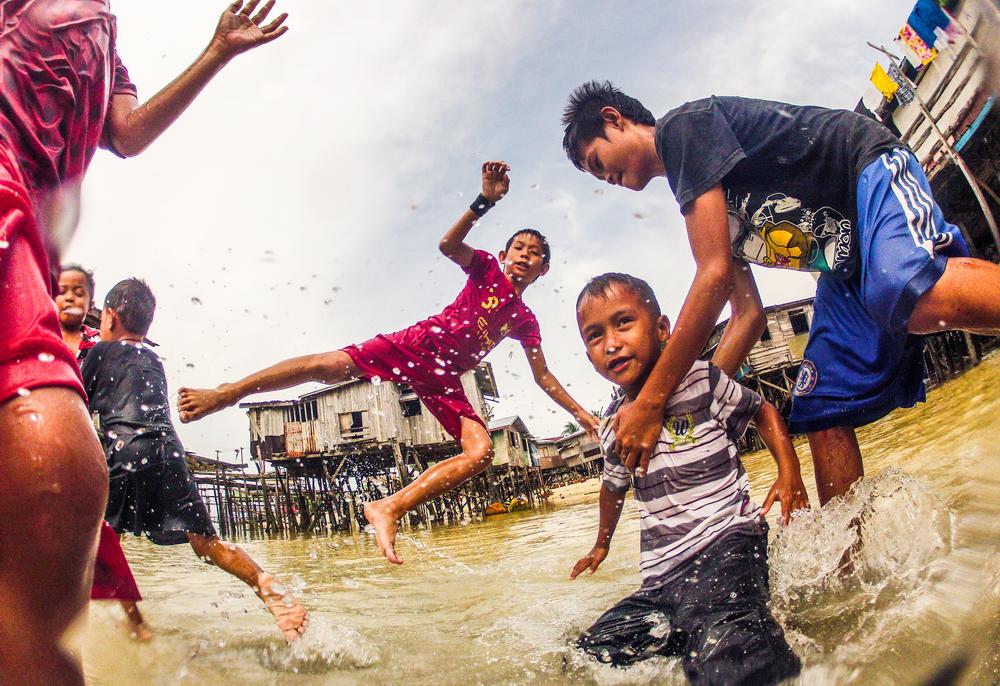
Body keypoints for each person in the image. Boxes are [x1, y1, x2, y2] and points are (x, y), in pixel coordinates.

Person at [0, 0, 288, 678]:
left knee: (63, 485)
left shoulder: (113, 56)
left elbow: (126, 136)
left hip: (31, 234)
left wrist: (217, 52)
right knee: (60, 467)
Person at [560, 81, 1000, 504]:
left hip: (866, 171)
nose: (606, 178)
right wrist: (696, 402)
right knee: (822, 404)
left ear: (614, 119)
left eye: (597, 162)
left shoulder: (683, 128)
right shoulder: (703, 206)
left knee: (907, 291)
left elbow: (712, 276)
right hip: (844, 264)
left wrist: (653, 400)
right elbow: (747, 316)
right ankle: (848, 550)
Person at [178, 161, 600, 564]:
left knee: (481, 451)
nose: (525, 255)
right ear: (505, 254)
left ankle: (389, 507)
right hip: (418, 344)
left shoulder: (525, 320)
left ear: (543, 270)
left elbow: (543, 375)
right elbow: (448, 246)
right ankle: (228, 392)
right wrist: (483, 202)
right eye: (519, 248)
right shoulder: (486, 268)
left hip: (445, 378)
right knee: (327, 367)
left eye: (534, 253)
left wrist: (583, 415)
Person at [570, 273, 805, 685]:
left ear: (662, 329)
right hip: (662, 578)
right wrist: (601, 544)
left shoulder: (700, 381)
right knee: (591, 652)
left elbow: (761, 410)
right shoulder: (612, 428)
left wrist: (789, 472)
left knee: (730, 661)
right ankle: (693, 634)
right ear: (589, 357)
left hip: (728, 544)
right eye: (595, 335)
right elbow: (612, 487)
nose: (611, 343)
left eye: (623, 323)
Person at [81, 278, 309, 642]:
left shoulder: (99, 353)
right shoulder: (153, 360)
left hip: (124, 451)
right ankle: (265, 583)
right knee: (207, 545)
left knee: (103, 545)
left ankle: (133, 627)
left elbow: (76, 401)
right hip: (170, 453)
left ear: (109, 316)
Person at [56, 263, 149, 639]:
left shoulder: (99, 344)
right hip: (45, 440)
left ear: (93, 303)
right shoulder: (41, 334)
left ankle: (134, 623)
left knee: (104, 535)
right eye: (62, 290)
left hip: (89, 445)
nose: (70, 297)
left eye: (79, 292)